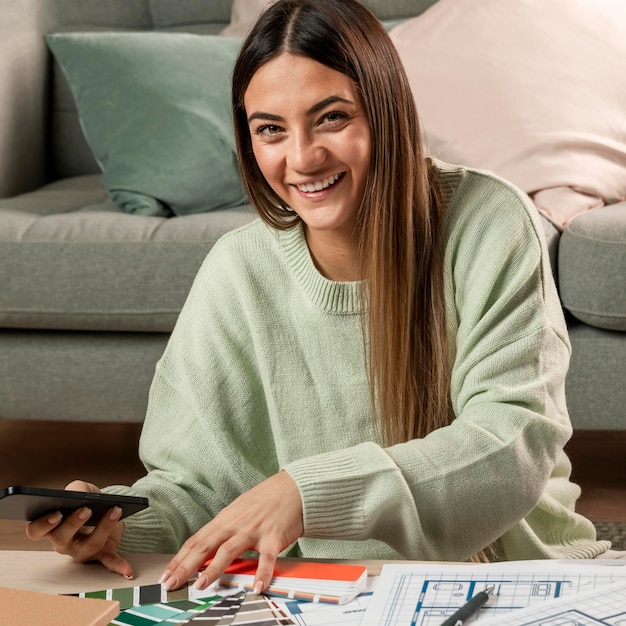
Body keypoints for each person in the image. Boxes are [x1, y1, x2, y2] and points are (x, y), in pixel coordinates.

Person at [27, 0, 615, 593]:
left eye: (331, 118)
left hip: (516, 580)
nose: (303, 158)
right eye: (270, 130)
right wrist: (117, 524)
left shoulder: (490, 221)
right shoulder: (239, 268)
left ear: (385, 111)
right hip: (323, 593)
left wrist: (306, 493)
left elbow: (509, 447)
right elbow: (197, 487)